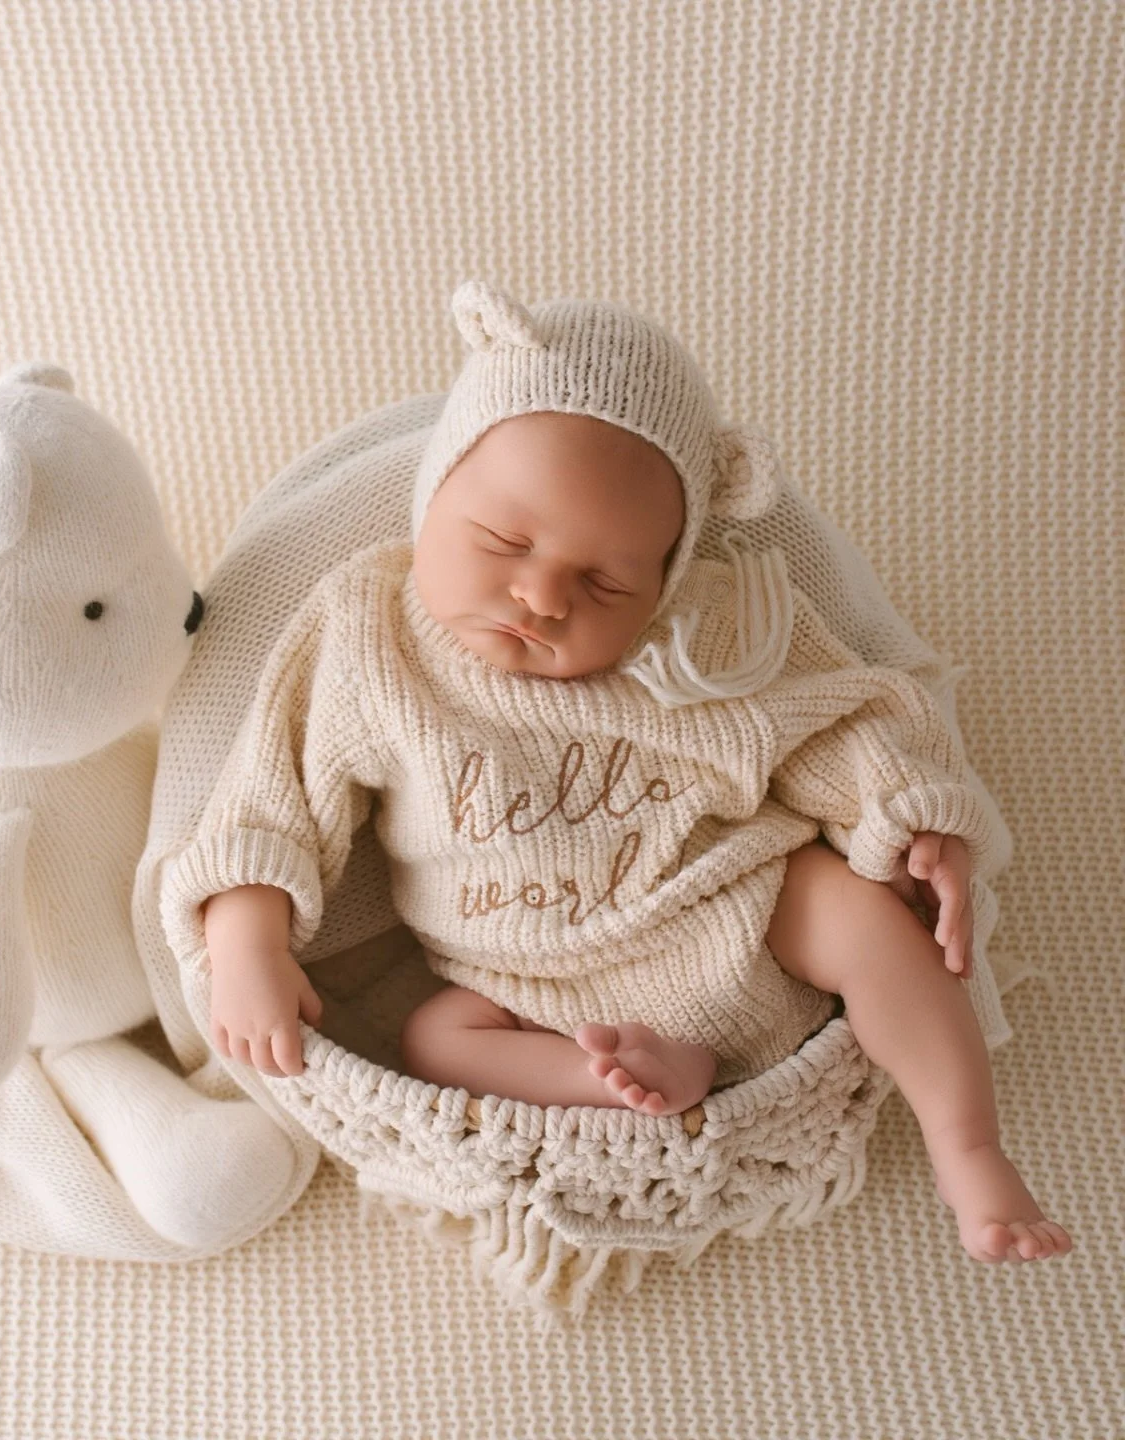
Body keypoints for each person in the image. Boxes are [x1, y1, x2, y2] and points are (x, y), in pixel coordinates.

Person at [161, 280, 1071, 1264]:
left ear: (667, 579)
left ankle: (968, 1146)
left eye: (605, 582)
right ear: (435, 494)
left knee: (872, 925)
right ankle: (617, 1082)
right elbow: (271, 796)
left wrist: (912, 820)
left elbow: (841, 722)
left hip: (737, 906)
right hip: (515, 978)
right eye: (504, 541)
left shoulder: (719, 629)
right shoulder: (367, 633)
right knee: (433, 1039)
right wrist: (249, 940)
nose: (542, 597)